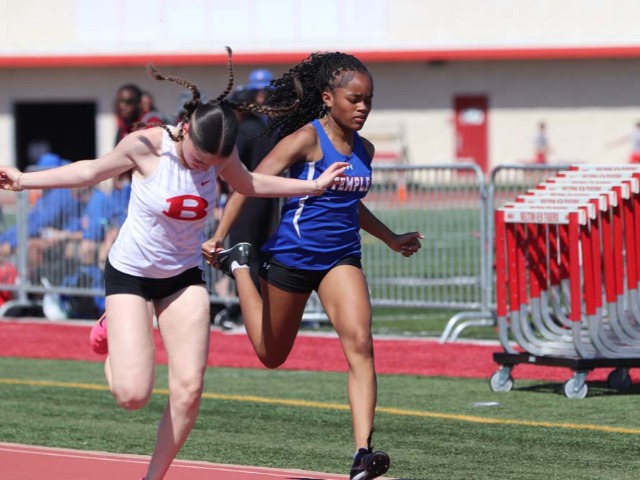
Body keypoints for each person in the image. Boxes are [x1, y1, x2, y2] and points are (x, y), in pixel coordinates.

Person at [0, 47, 347, 480]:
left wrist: (313, 187)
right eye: (200, 159)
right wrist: (23, 180)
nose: (207, 169)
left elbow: (250, 183)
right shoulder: (146, 146)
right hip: (131, 276)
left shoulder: (221, 156)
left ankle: (153, 477)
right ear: (185, 130)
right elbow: (90, 172)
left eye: (214, 164)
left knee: (189, 389)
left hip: (182, 278)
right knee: (132, 396)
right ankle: (110, 327)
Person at [202, 51, 424, 480]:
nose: (363, 107)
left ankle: (362, 454)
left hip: (341, 258)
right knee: (271, 355)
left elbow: (351, 203)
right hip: (293, 256)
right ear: (327, 97)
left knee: (360, 342)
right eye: (354, 99)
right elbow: (248, 183)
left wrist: (391, 238)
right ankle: (241, 267)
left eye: (368, 100)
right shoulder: (306, 139)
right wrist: (220, 235)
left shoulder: (365, 149)